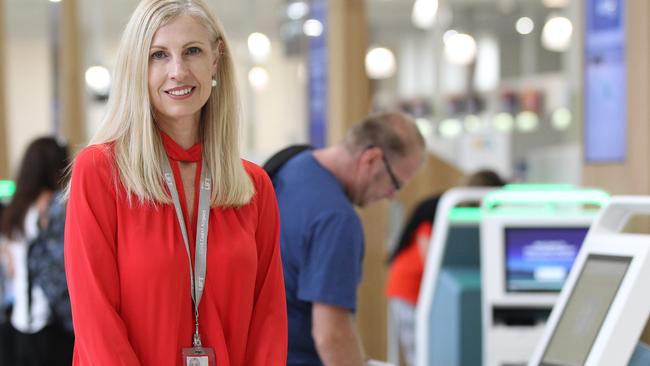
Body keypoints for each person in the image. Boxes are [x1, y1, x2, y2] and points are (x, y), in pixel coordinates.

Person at [64, 1, 287, 365]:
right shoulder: (101, 172)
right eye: (158, 55)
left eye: (192, 51)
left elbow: (269, 320)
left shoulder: (253, 186)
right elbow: (95, 320)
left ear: (216, 60)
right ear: (138, 67)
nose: (177, 71)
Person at [271, 112, 426, 365]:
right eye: (395, 183)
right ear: (372, 159)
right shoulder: (337, 218)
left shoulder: (292, 163)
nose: (391, 196)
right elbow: (331, 335)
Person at [385, 168, 505, 366]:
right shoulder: (444, 210)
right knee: (421, 354)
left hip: (429, 292)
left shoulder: (467, 214)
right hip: (409, 288)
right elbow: (432, 260)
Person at [0, 137, 72, 366]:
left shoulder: (15, 210)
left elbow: (10, 268)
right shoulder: (56, 207)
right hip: (52, 321)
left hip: (19, 321)